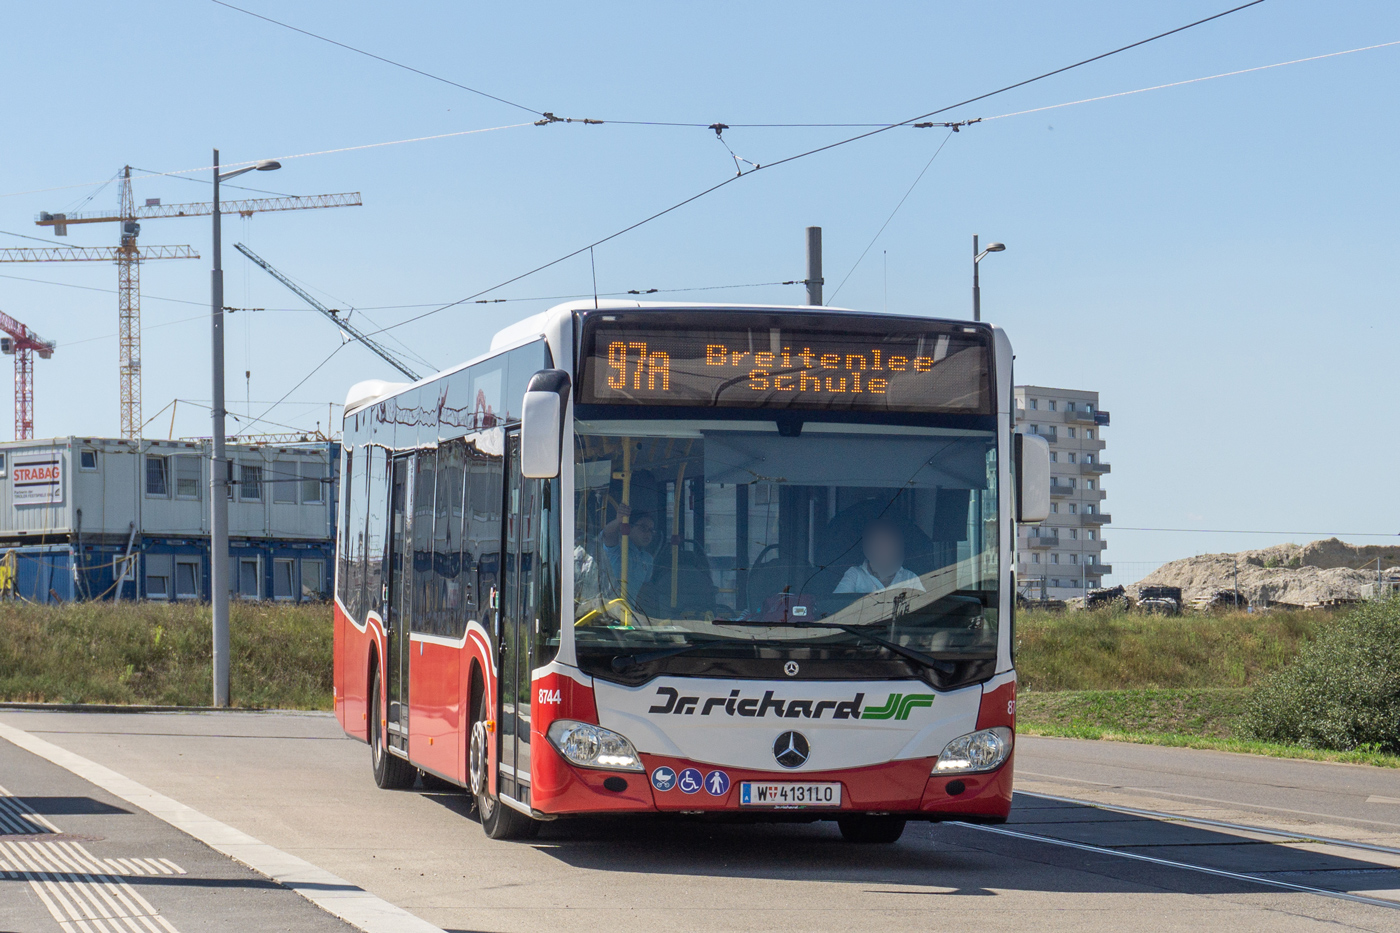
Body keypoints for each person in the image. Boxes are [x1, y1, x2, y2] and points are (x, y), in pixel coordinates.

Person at [835, 518, 925, 594]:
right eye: (877, 544)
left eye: (888, 543)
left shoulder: (910, 578)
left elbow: (923, 610)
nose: (883, 549)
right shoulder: (855, 575)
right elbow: (838, 606)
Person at [599, 503, 656, 591]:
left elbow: (644, 589)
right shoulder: (617, 548)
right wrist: (619, 520)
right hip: (608, 604)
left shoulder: (648, 559)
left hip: (630, 605)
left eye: (651, 530)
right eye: (643, 528)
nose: (648, 534)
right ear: (628, 527)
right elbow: (608, 535)